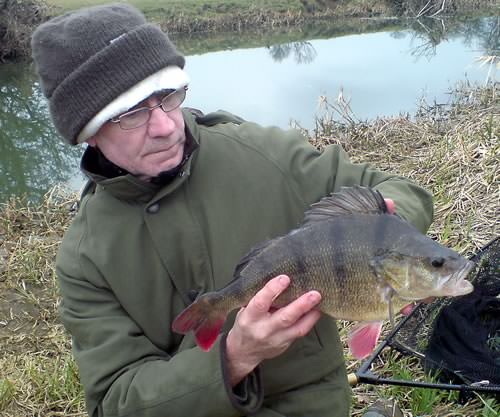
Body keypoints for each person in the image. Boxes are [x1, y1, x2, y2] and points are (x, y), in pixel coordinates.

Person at [31, 3, 433, 417]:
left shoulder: (263, 153)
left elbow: (402, 192)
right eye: (133, 114)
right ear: (90, 133)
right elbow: (116, 402)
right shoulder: (85, 258)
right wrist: (233, 357)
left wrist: (390, 253)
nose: (166, 125)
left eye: (168, 96)